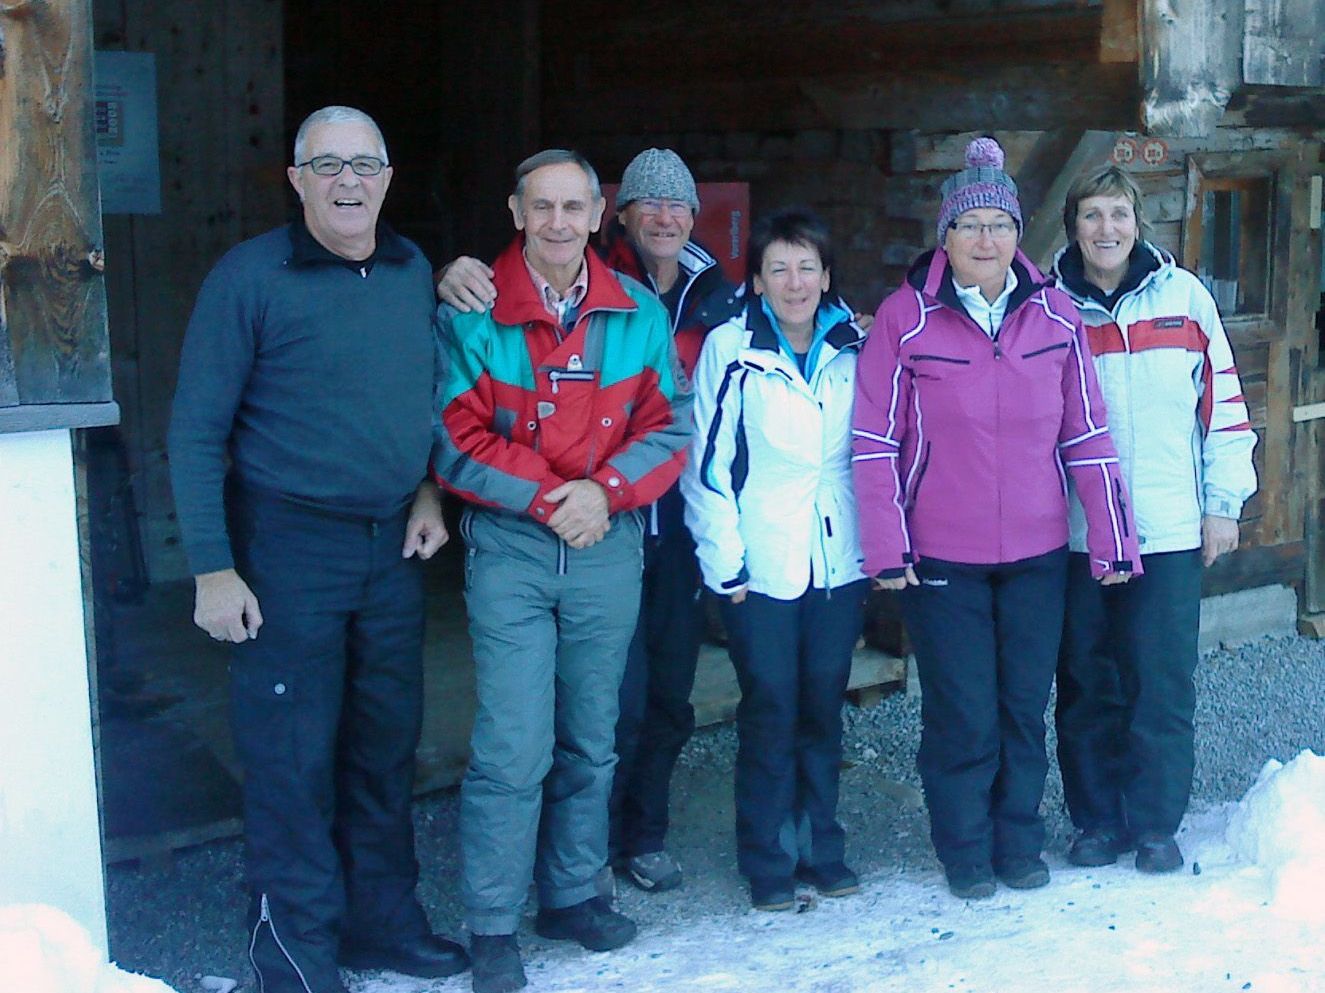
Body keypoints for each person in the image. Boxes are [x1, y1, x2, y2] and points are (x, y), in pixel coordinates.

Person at [167, 106, 468, 993]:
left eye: (363, 165)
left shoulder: (413, 269)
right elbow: (193, 431)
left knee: (383, 745)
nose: (347, 181)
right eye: (326, 164)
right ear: (295, 179)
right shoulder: (249, 278)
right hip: (285, 548)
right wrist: (212, 567)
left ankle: (381, 922)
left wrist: (426, 488)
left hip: (389, 550)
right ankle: (293, 948)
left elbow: (426, 397)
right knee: (291, 750)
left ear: (387, 177)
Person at [439, 147, 738, 894]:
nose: (558, 220)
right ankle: (495, 916)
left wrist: (603, 492)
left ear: (596, 216)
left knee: (597, 734)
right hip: (522, 540)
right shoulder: (477, 309)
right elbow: (452, 432)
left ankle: (578, 889)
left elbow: (672, 424)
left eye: (573, 206)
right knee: (514, 744)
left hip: (623, 534)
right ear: (516, 213)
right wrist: (554, 497)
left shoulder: (658, 308)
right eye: (541, 206)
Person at [851, 137, 1142, 901]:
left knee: (1021, 704)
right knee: (963, 710)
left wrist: (1112, 537)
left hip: (1038, 553)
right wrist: (885, 545)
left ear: (1020, 235)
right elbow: (874, 439)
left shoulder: (1054, 314)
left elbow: (1086, 429)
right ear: (944, 236)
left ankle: (1017, 840)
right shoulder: (904, 319)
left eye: (1000, 224)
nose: (987, 239)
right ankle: (964, 846)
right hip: (941, 556)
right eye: (971, 223)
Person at [1051, 165, 1257, 873]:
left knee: (1160, 683)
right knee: (1084, 682)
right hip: (1079, 534)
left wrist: (1220, 505)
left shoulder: (1184, 300)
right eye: (1090, 215)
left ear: (1138, 222)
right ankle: (1095, 822)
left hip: (1168, 528)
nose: (1105, 229)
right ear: (1071, 225)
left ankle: (1154, 824)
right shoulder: (1049, 308)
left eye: (1117, 213)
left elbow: (1224, 410)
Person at [681, 208, 869, 911]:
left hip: (836, 560)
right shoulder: (731, 350)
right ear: (756, 280)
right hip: (760, 560)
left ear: (826, 275)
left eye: (807, 266)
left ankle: (821, 846)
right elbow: (707, 466)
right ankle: (766, 857)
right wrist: (722, 564)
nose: (794, 282)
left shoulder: (852, 345)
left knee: (822, 706)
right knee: (770, 708)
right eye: (778, 268)